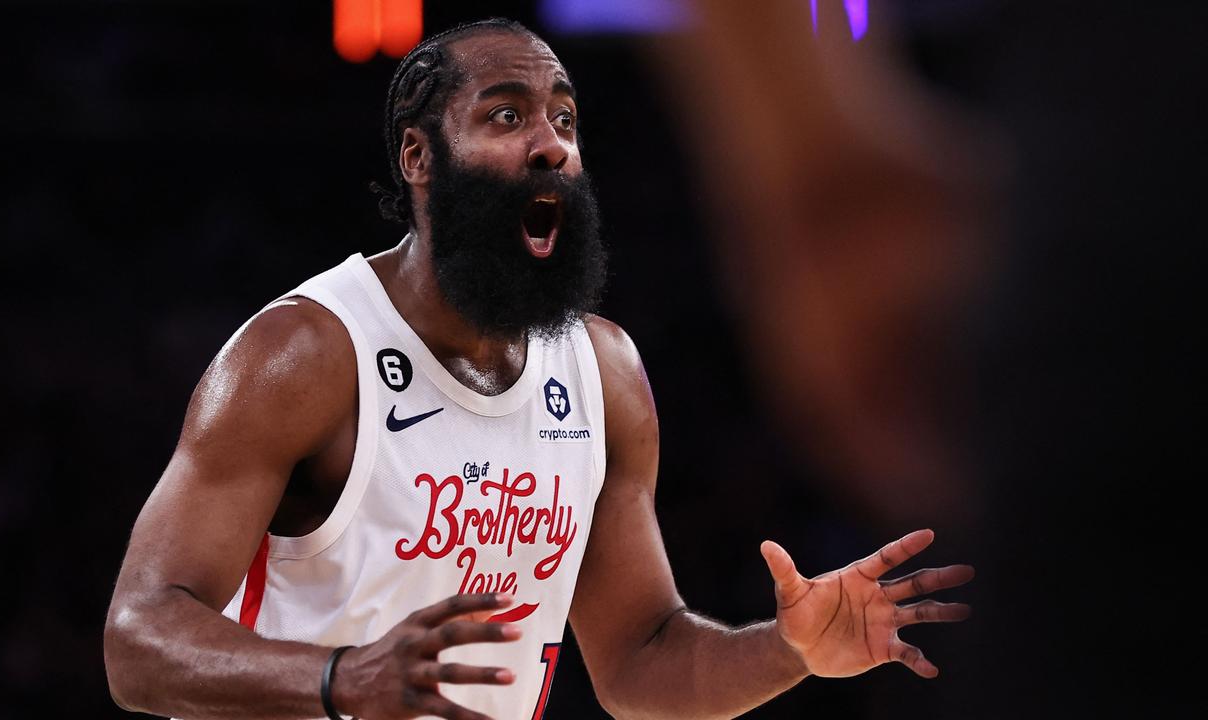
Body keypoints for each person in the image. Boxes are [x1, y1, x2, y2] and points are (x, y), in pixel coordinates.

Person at [103, 18, 973, 720]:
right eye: (507, 116)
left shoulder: (604, 371)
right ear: (418, 158)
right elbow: (138, 639)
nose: (552, 144)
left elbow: (641, 661)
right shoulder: (304, 353)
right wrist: (340, 680)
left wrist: (788, 650)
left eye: (565, 118)